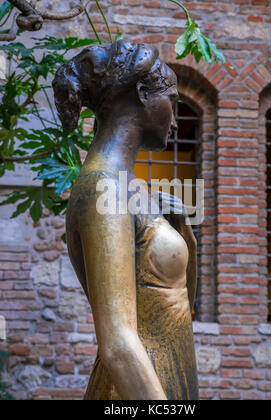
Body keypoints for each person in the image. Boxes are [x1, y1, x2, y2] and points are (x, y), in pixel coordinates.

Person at [52, 40, 199, 400]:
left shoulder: (129, 189)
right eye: (172, 101)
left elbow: (177, 311)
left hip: (167, 373)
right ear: (141, 94)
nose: (175, 119)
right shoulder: (105, 188)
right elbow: (117, 344)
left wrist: (185, 236)